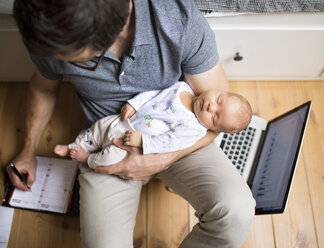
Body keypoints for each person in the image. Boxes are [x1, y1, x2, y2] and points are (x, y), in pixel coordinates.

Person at [8, 0, 256, 247]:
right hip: (108, 141)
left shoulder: (178, 18)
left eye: (79, 60)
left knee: (236, 212)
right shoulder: (48, 28)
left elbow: (216, 120)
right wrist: (27, 150)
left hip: (176, 136)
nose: (61, 61)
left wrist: (161, 158)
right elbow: (43, 88)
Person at [54, 81, 252, 169]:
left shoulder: (194, 128)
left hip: (130, 142)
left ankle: (87, 158)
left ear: (214, 129)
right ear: (219, 91)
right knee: (98, 128)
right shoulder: (182, 88)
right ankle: (75, 145)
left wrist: (142, 141)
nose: (210, 107)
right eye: (218, 100)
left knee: (108, 159)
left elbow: (169, 143)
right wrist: (135, 103)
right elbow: (154, 95)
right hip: (125, 120)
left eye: (215, 117)